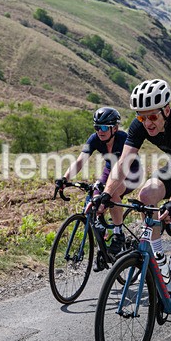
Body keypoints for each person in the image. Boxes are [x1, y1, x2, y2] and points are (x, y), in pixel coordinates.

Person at [93, 79, 171, 337]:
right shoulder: (139, 126)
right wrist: (107, 194)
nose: (147, 123)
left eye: (152, 116)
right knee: (146, 194)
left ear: (166, 110)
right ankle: (159, 259)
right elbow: (122, 164)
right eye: (142, 118)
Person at [55, 107, 141, 270]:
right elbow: (80, 161)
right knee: (94, 202)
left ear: (114, 128)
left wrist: (107, 188)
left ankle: (118, 235)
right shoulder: (95, 139)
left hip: (130, 173)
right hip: (110, 171)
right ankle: (103, 248)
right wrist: (65, 179)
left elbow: (123, 169)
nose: (99, 131)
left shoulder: (123, 139)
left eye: (103, 127)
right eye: (96, 127)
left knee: (112, 193)